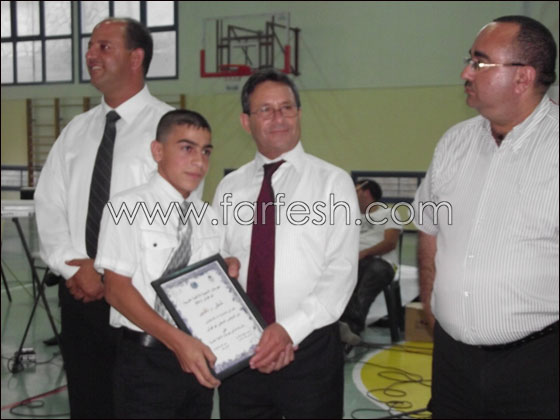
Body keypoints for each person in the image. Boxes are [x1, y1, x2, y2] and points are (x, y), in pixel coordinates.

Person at [413, 15, 558, 419]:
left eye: (479, 62)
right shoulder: (454, 143)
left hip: (538, 367)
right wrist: (433, 310)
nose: (466, 72)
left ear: (523, 77)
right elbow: (429, 229)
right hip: (452, 362)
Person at [35, 18, 173, 418]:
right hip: (79, 294)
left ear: (136, 57)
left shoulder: (169, 129)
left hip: (138, 300)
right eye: (90, 46)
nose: (91, 55)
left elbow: (170, 216)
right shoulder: (75, 132)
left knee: (138, 406)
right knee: (88, 403)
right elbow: (49, 203)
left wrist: (108, 271)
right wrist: (74, 266)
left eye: (104, 47)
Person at [212, 68, 360, 419]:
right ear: (246, 122)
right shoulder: (229, 188)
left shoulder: (332, 183)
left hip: (309, 351)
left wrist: (288, 331)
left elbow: (341, 271)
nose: (278, 118)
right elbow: (216, 260)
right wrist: (225, 263)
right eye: (265, 110)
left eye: (286, 108)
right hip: (242, 353)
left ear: (299, 114)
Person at [95, 110, 235, 418]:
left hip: (198, 359)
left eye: (206, 151)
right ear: (157, 151)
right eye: (187, 148)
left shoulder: (208, 217)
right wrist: (177, 341)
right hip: (147, 361)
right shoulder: (126, 207)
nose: (199, 161)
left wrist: (228, 271)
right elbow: (116, 291)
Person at [339, 180, 402, 346]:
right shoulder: (350, 217)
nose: (352, 194)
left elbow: (390, 243)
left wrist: (364, 253)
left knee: (374, 271)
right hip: (353, 261)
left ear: (366, 192)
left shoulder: (389, 213)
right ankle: (338, 325)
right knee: (334, 273)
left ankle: (352, 327)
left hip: (381, 262)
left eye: (356, 190)